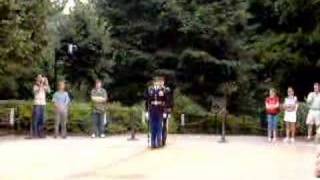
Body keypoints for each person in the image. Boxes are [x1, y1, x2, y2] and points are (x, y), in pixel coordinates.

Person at [145, 77, 166, 149]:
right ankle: (153, 143)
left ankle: (159, 142)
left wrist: (164, 111)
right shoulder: (150, 90)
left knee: (159, 127)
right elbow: (147, 101)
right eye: (155, 82)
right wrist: (146, 111)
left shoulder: (162, 90)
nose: (156, 83)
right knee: (153, 127)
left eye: (157, 82)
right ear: (153, 83)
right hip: (152, 110)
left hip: (160, 110)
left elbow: (165, 101)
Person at [159, 77, 173, 147]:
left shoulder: (167, 90)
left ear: (164, 82)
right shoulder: (156, 90)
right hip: (157, 110)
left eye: (162, 82)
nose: (161, 83)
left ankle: (163, 140)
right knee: (158, 124)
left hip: (164, 110)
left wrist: (169, 110)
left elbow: (169, 100)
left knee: (164, 125)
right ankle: (158, 139)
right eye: (159, 82)